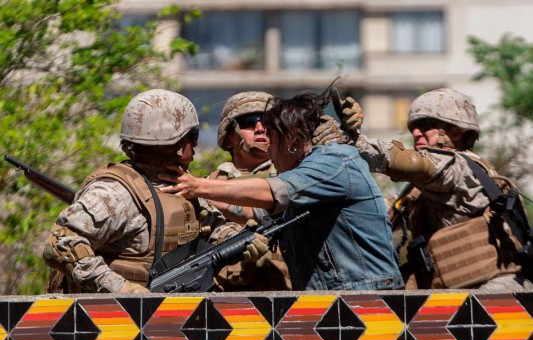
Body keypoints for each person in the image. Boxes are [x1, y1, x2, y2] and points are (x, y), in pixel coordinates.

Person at [160, 92, 404, 291]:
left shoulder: (334, 162)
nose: (268, 147)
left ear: (291, 139)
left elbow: (273, 192)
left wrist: (198, 186)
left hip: (365, 295)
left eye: (271, 136)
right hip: (327, 296)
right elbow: (258, 213)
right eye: (249, 123)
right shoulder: (306, 176)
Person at [43, 89, 268, 294]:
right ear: (176, 145)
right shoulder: (116, 193)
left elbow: (210, 224)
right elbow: (62, 243)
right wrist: (121, 289)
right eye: (193, 137)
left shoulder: (180, 184)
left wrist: (235, 239)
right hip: (110, 321)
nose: (196, 146)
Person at [338, 87, 532, 291]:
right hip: (458, 291)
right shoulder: (421, 190)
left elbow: (408, 162)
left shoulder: (459, 167)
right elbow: (374, 215)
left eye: (426, 125)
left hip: (497, 289)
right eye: (414, 127)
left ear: (456, 131)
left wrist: (353, 140)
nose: (415, 133)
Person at [209, 91, 291, 290]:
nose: (260, 128)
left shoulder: (293, 176)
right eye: (248, 122)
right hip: (224, 297)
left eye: (267, 122)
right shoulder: (209, 184)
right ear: (228, 138)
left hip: (286, 294)